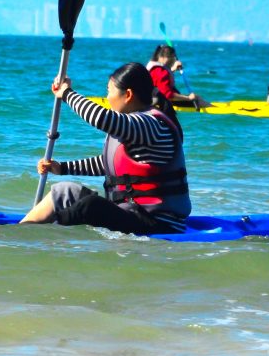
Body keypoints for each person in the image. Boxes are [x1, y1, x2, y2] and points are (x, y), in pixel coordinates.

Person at [20, 63, 191, 235]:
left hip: (157, 223)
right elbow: (109, 165)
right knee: (65, 191)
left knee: (91, 206)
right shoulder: (135, 126)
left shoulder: (150, 125)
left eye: (109, 91)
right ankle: (22, 232)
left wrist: (66, 93)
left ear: (128, 95)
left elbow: (101, 118)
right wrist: (62, 168)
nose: (107, 98)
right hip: (131, 213)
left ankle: (47, 234)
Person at [147, 44, 211, 110]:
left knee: (196, 97)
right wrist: (188, 98)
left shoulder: (155, 68)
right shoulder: (159, 71)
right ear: (162, 57)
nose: (173, 60)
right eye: (171, 57)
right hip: (163, 101)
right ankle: (211, 107)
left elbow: (159, 79)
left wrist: (173, 69)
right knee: (197, 99)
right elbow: (168, 95)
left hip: (156, 99)